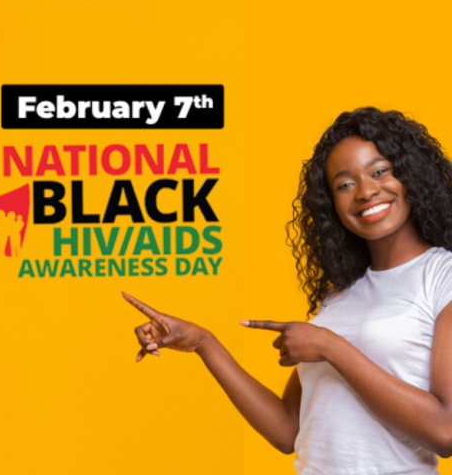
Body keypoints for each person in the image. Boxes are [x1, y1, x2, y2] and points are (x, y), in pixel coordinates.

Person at [123, 107, 452, 474]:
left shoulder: (442, 277)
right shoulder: (339, 297)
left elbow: (445, 431)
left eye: (379, 172)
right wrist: (204, 343)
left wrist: (330, 346)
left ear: (410, 175)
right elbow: (286, 429)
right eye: (345, 184)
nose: (365, 191)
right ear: (332, 205)